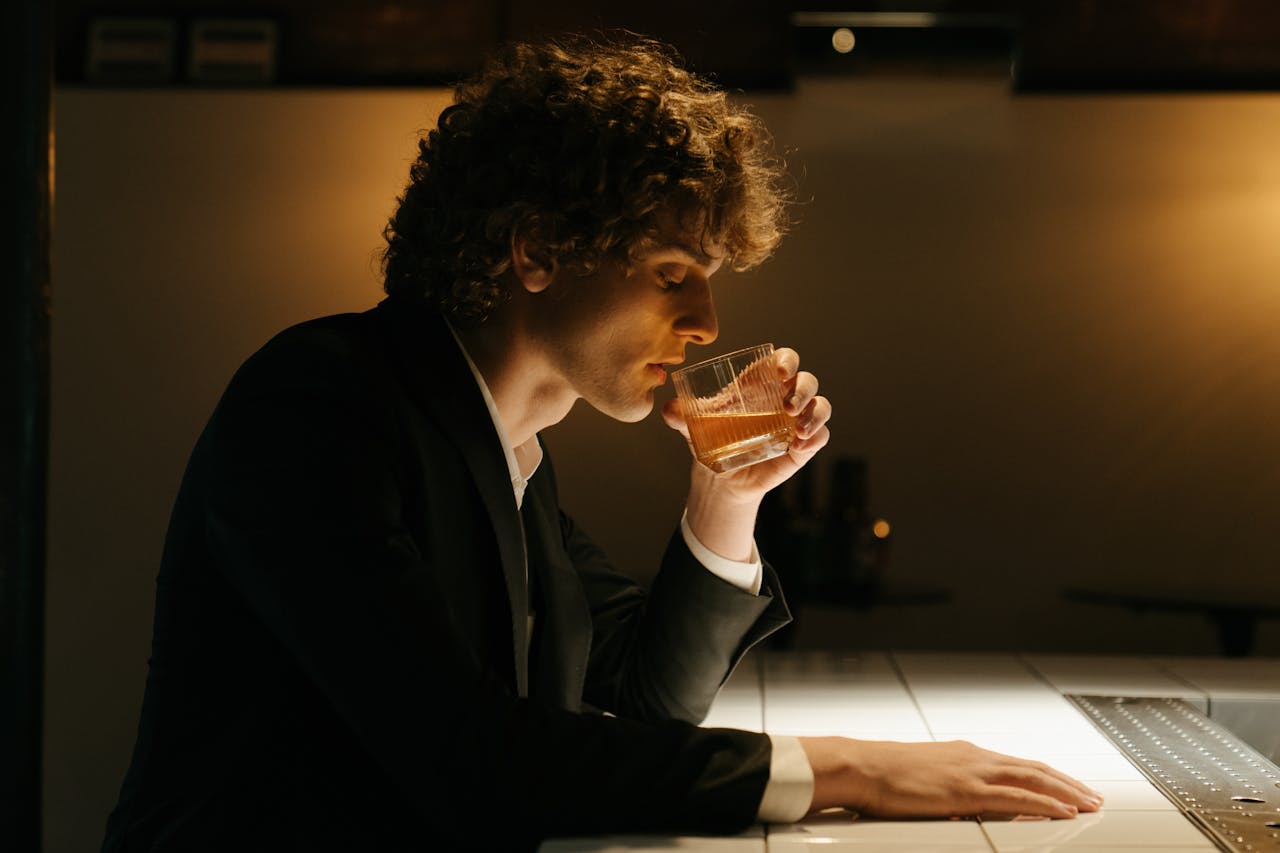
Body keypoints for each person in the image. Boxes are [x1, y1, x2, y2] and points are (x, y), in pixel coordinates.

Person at [102, 34, 1101, 852]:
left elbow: (637, 700)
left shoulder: (510, 452)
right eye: (673, 272)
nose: (707, 319)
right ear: (536, 249)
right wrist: (839, 766)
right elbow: (470, 758)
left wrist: (726, 494)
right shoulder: (319, 405)